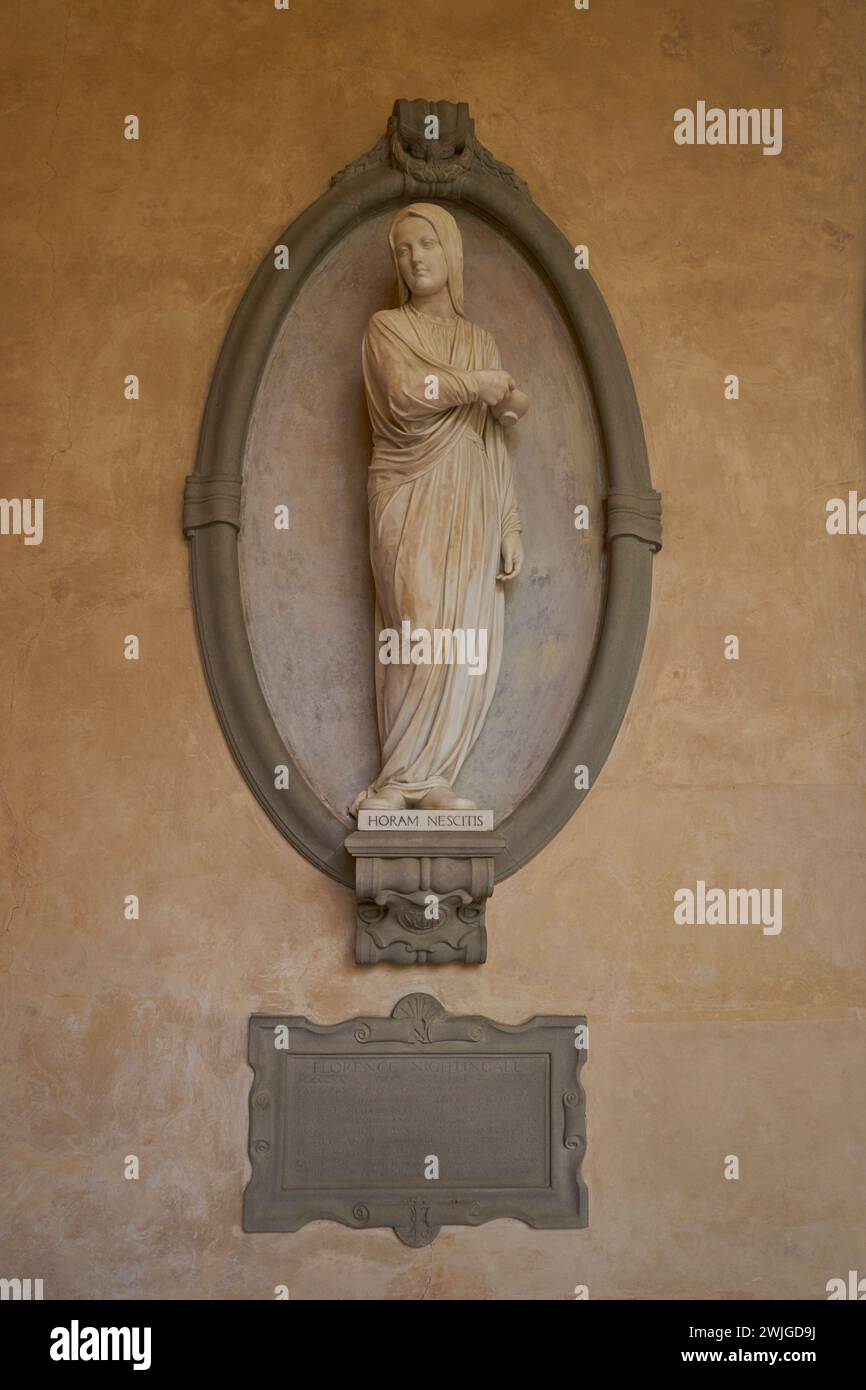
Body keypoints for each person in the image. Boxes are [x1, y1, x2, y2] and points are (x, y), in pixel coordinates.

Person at [352, 202, 527, 814]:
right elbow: (404, 395)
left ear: (452, 254)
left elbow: (493, 438)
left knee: (459, 632)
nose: (414, 258)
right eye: (403, 249)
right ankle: (399, 775)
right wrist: (477, 383)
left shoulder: (479, 339)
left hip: (470, 498)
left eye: (427, 244)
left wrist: (508, 522)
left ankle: (433, 779)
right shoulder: (386, 329)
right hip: (407, 489)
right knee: (416, 623)